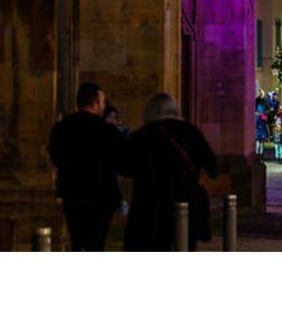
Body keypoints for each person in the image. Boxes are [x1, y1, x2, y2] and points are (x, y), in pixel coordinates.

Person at [122, 93, 216, 254]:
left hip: (150, 204)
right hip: (185, 202)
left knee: (156, 246)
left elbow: (125, 168)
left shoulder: (141, 136)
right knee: (185, 245)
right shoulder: (190, 132)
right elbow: (212, 166)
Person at [48, 82, 126, 254]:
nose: (105, 106)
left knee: (76, 241)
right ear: (94, 105)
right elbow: (120, 163)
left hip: (72, 194)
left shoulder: (61, 129)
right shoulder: (109, 133)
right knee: (96, 244)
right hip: (100, 198)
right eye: (103, 102)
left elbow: (56, 157)